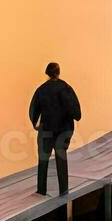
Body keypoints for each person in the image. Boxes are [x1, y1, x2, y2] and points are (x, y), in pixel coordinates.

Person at [29, 62, 81, 196]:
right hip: (62, 130)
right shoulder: (65, 88)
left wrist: (35, 122)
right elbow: (75, 110)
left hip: (46, 129)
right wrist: (76, 116)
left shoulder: (41, 89)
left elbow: (34, 108)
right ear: (58, 72)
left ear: (47, 73)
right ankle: (63, 190)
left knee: (43, 160)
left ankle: (41, 191)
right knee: (61, 159)